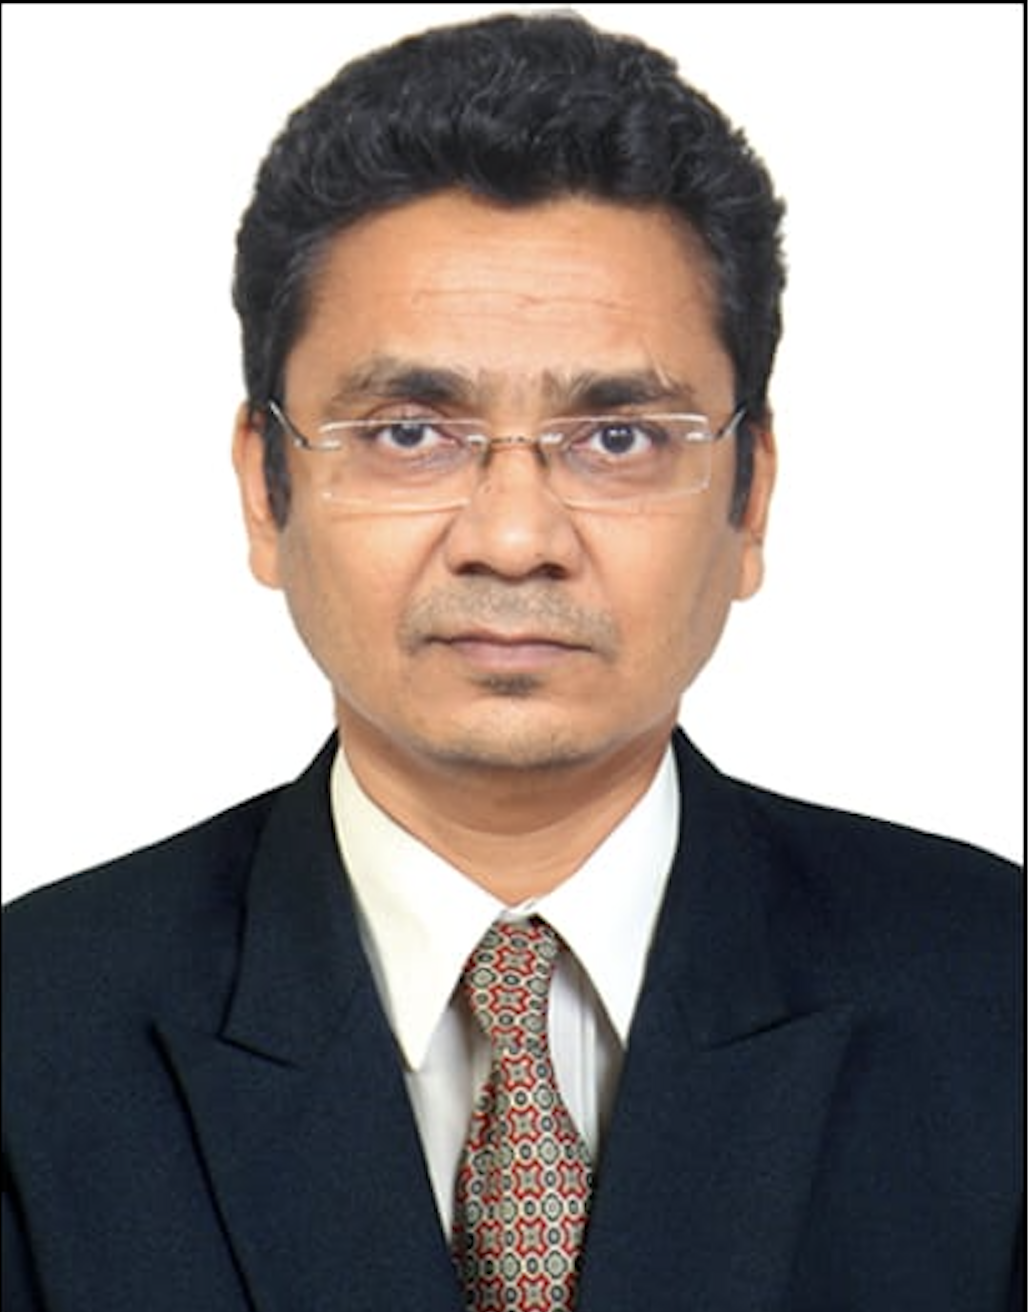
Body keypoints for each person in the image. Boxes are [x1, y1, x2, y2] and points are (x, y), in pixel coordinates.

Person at [2, 10, 1021, 1311]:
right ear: (266, 490)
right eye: (410, 431)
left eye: (620, 438)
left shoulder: (999, 1000)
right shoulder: (31, 1036)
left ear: (751, 495)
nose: (515, 538)